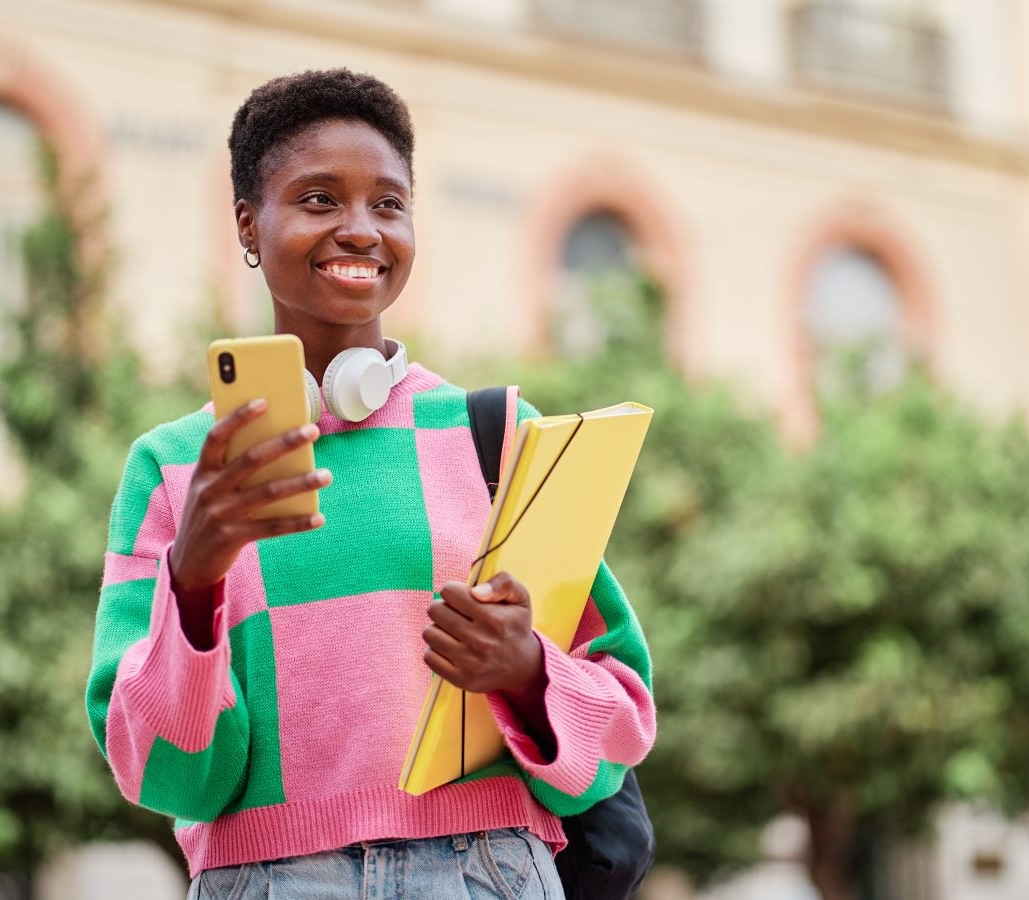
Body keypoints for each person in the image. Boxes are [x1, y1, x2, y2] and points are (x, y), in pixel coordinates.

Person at [85, 68, 656, 899]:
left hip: (486, 872)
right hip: (267, 881)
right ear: (250, 223)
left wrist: (526, 671)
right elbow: (169, 774)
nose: (360, 229)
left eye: (388, 204)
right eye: (319, 199)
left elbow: (624, 716)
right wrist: (195, 579)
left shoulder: (495, 436)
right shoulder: (174, 469)